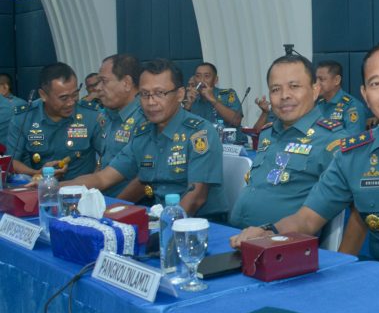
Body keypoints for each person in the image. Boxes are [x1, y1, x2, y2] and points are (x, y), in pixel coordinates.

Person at [231, 41, 379, 266]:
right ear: (365, 95)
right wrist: (268, 231)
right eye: (376, 83)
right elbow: (307, 219)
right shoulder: (354, 155)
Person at [63, 59, 227, 219]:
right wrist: (55, 187)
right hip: (159, 218)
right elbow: (103, 178)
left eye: (159, 93)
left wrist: (165, 228)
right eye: (144, 94)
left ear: (179, 94)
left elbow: (196, 198)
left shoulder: (199, 133)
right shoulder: (143, 134)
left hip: (202, 224)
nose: (151, 102)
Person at [229, 53, 346, 229]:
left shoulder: (331, 140)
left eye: (294, 86)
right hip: (235, 233)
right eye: (276, 89)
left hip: (281, 240)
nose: (284, 96)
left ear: (315, 91)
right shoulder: (268, 133)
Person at [7, 62, 102, 180]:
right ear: (43, 95)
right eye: (64, 98)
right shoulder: (24, 117)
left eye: (75, 94)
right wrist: (37, 173)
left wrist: (95, 179)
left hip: (83, 187)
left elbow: (108, 155)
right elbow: (12, 161)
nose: (71, 102)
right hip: (40, 186)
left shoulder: (91, 115)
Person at [94, 54, 145, 196]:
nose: (98, 88)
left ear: (127, 83)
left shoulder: (145, 118)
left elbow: (143, 178)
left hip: (129, 204)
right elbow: (101, 164)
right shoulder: (108, 115)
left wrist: (115, 205)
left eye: (104, 81)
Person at [184, 62, 246, 143]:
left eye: (207, 76)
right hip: (202, 145)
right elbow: (181, 129)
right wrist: (187, 106)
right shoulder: (192, 99)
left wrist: (213, 100)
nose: (202, 80)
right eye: (198, 76)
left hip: (231, 145)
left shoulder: (227, 94)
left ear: (215, 80)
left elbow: (236, 121)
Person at [316, 60, 367, 133]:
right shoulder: (318, 104)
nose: (317, 83)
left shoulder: (351, 106)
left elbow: (354, 138)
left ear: (337, 80)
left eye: (321, 79)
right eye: (316, 79)